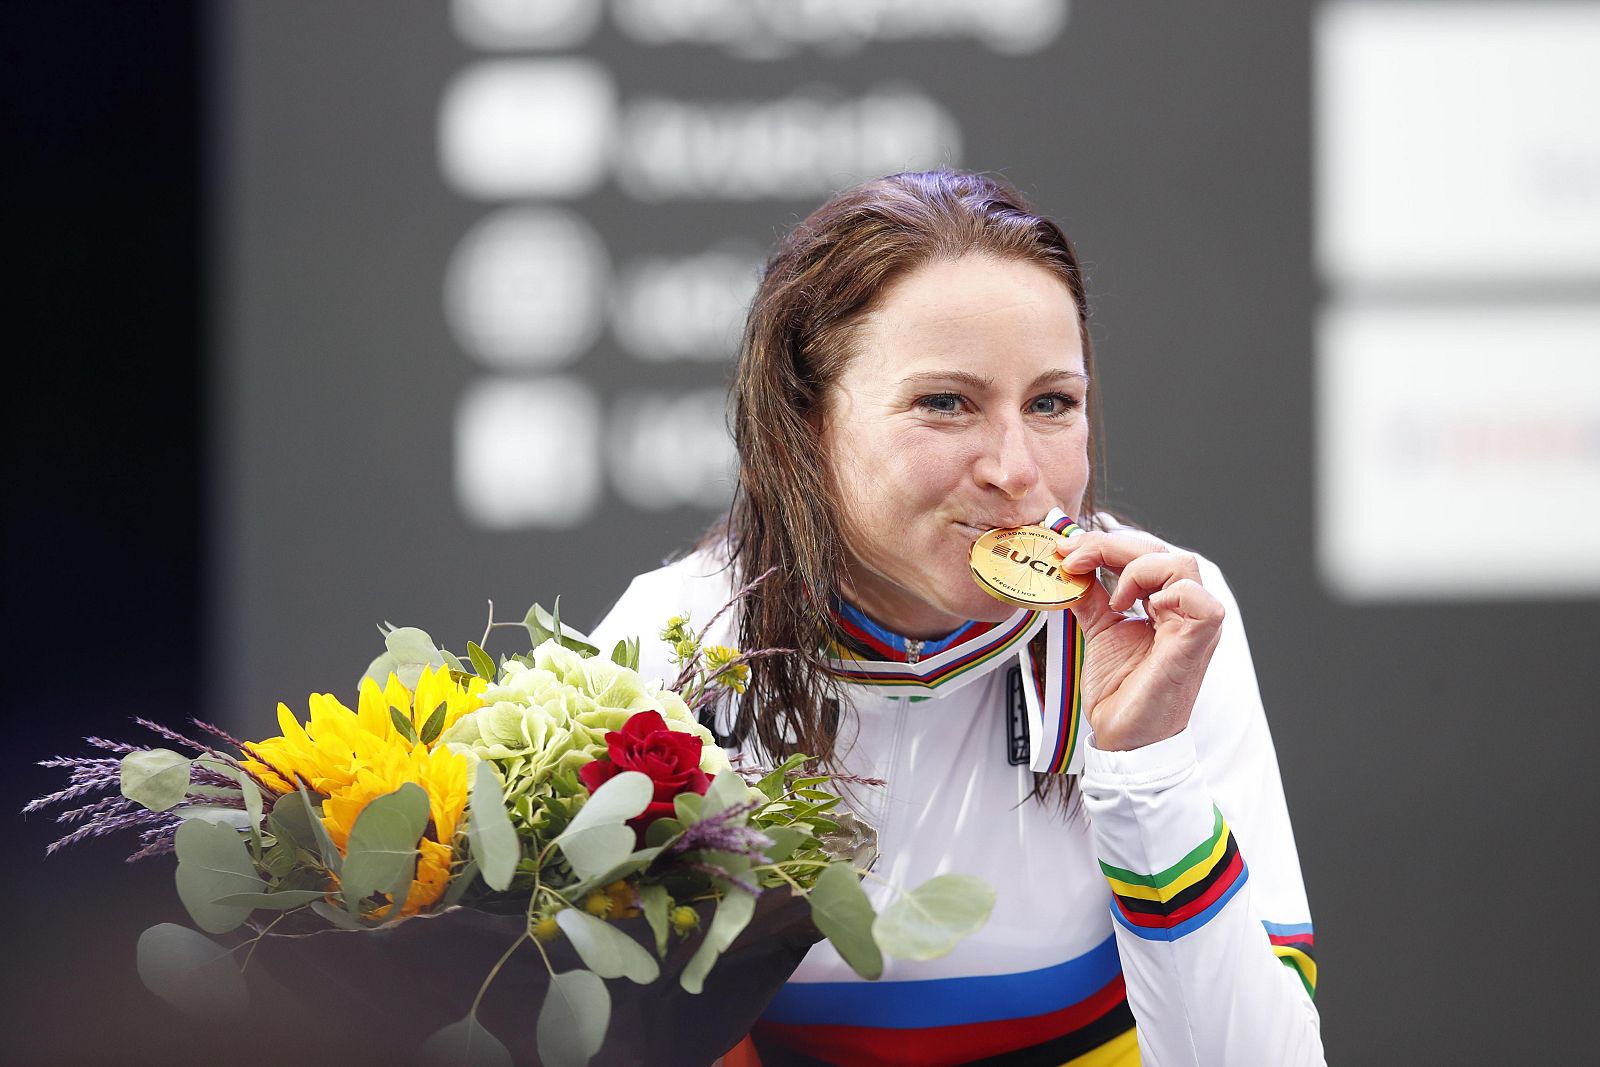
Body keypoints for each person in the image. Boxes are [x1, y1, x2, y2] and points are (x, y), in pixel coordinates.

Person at [590, 169, 1323, 1066]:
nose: (1016, 470)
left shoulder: (1163, 622)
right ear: (804, 421)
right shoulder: (668, 647)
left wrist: (1146, 773)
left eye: (1052, 402)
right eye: (946, 403)